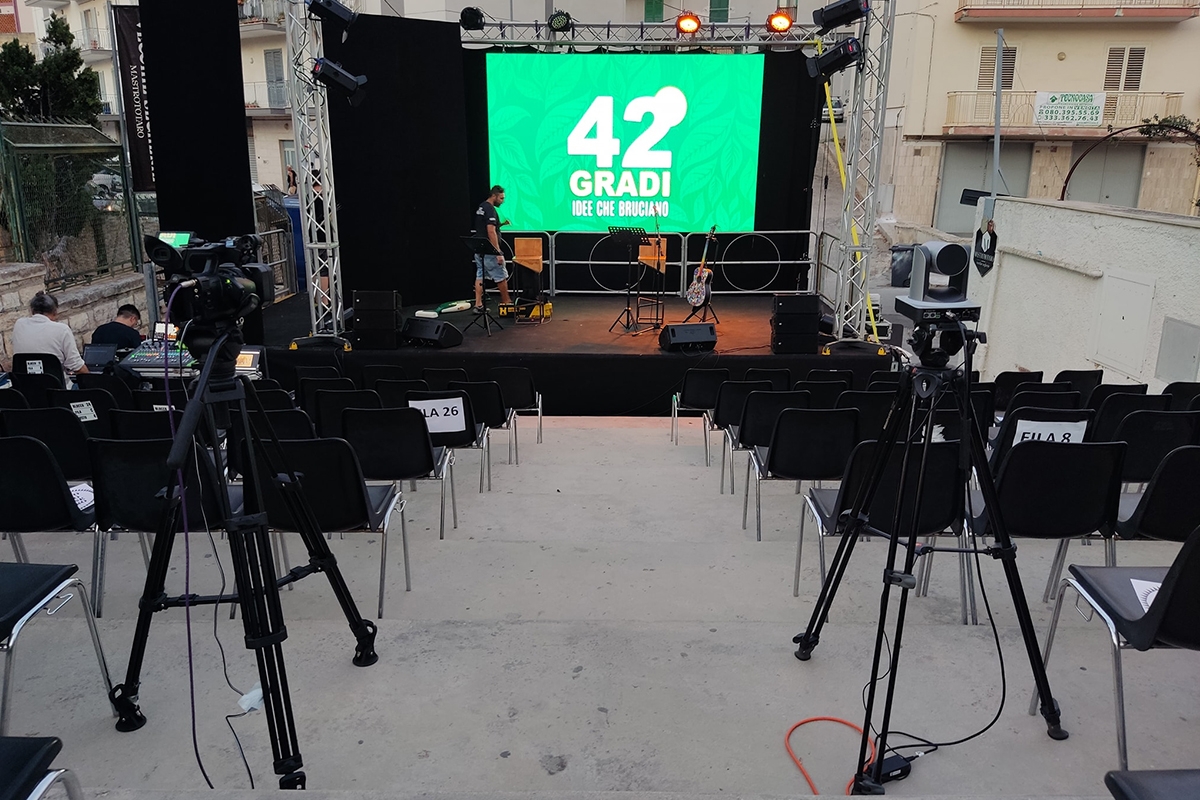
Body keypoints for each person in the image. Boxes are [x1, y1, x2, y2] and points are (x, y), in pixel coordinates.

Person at [11, 290, 87, 383]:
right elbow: (77, 366)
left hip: (26, 387)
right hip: (57, 388)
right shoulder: (62, 329)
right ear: (55, 312)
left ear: (32, 311)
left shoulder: (19, 324)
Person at [472, 185, 512, 313]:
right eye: (501, 198)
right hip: (490, 250)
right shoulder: (490, 209)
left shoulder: (481, 207)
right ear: (494, 196)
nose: (502, 201)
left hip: (479, 248)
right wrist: (498, 252)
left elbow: (484, 227)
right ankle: (507, 303)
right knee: (501, 275)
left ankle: (478, 305)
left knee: (480, 275)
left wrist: (502, 224)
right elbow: (490, 231)